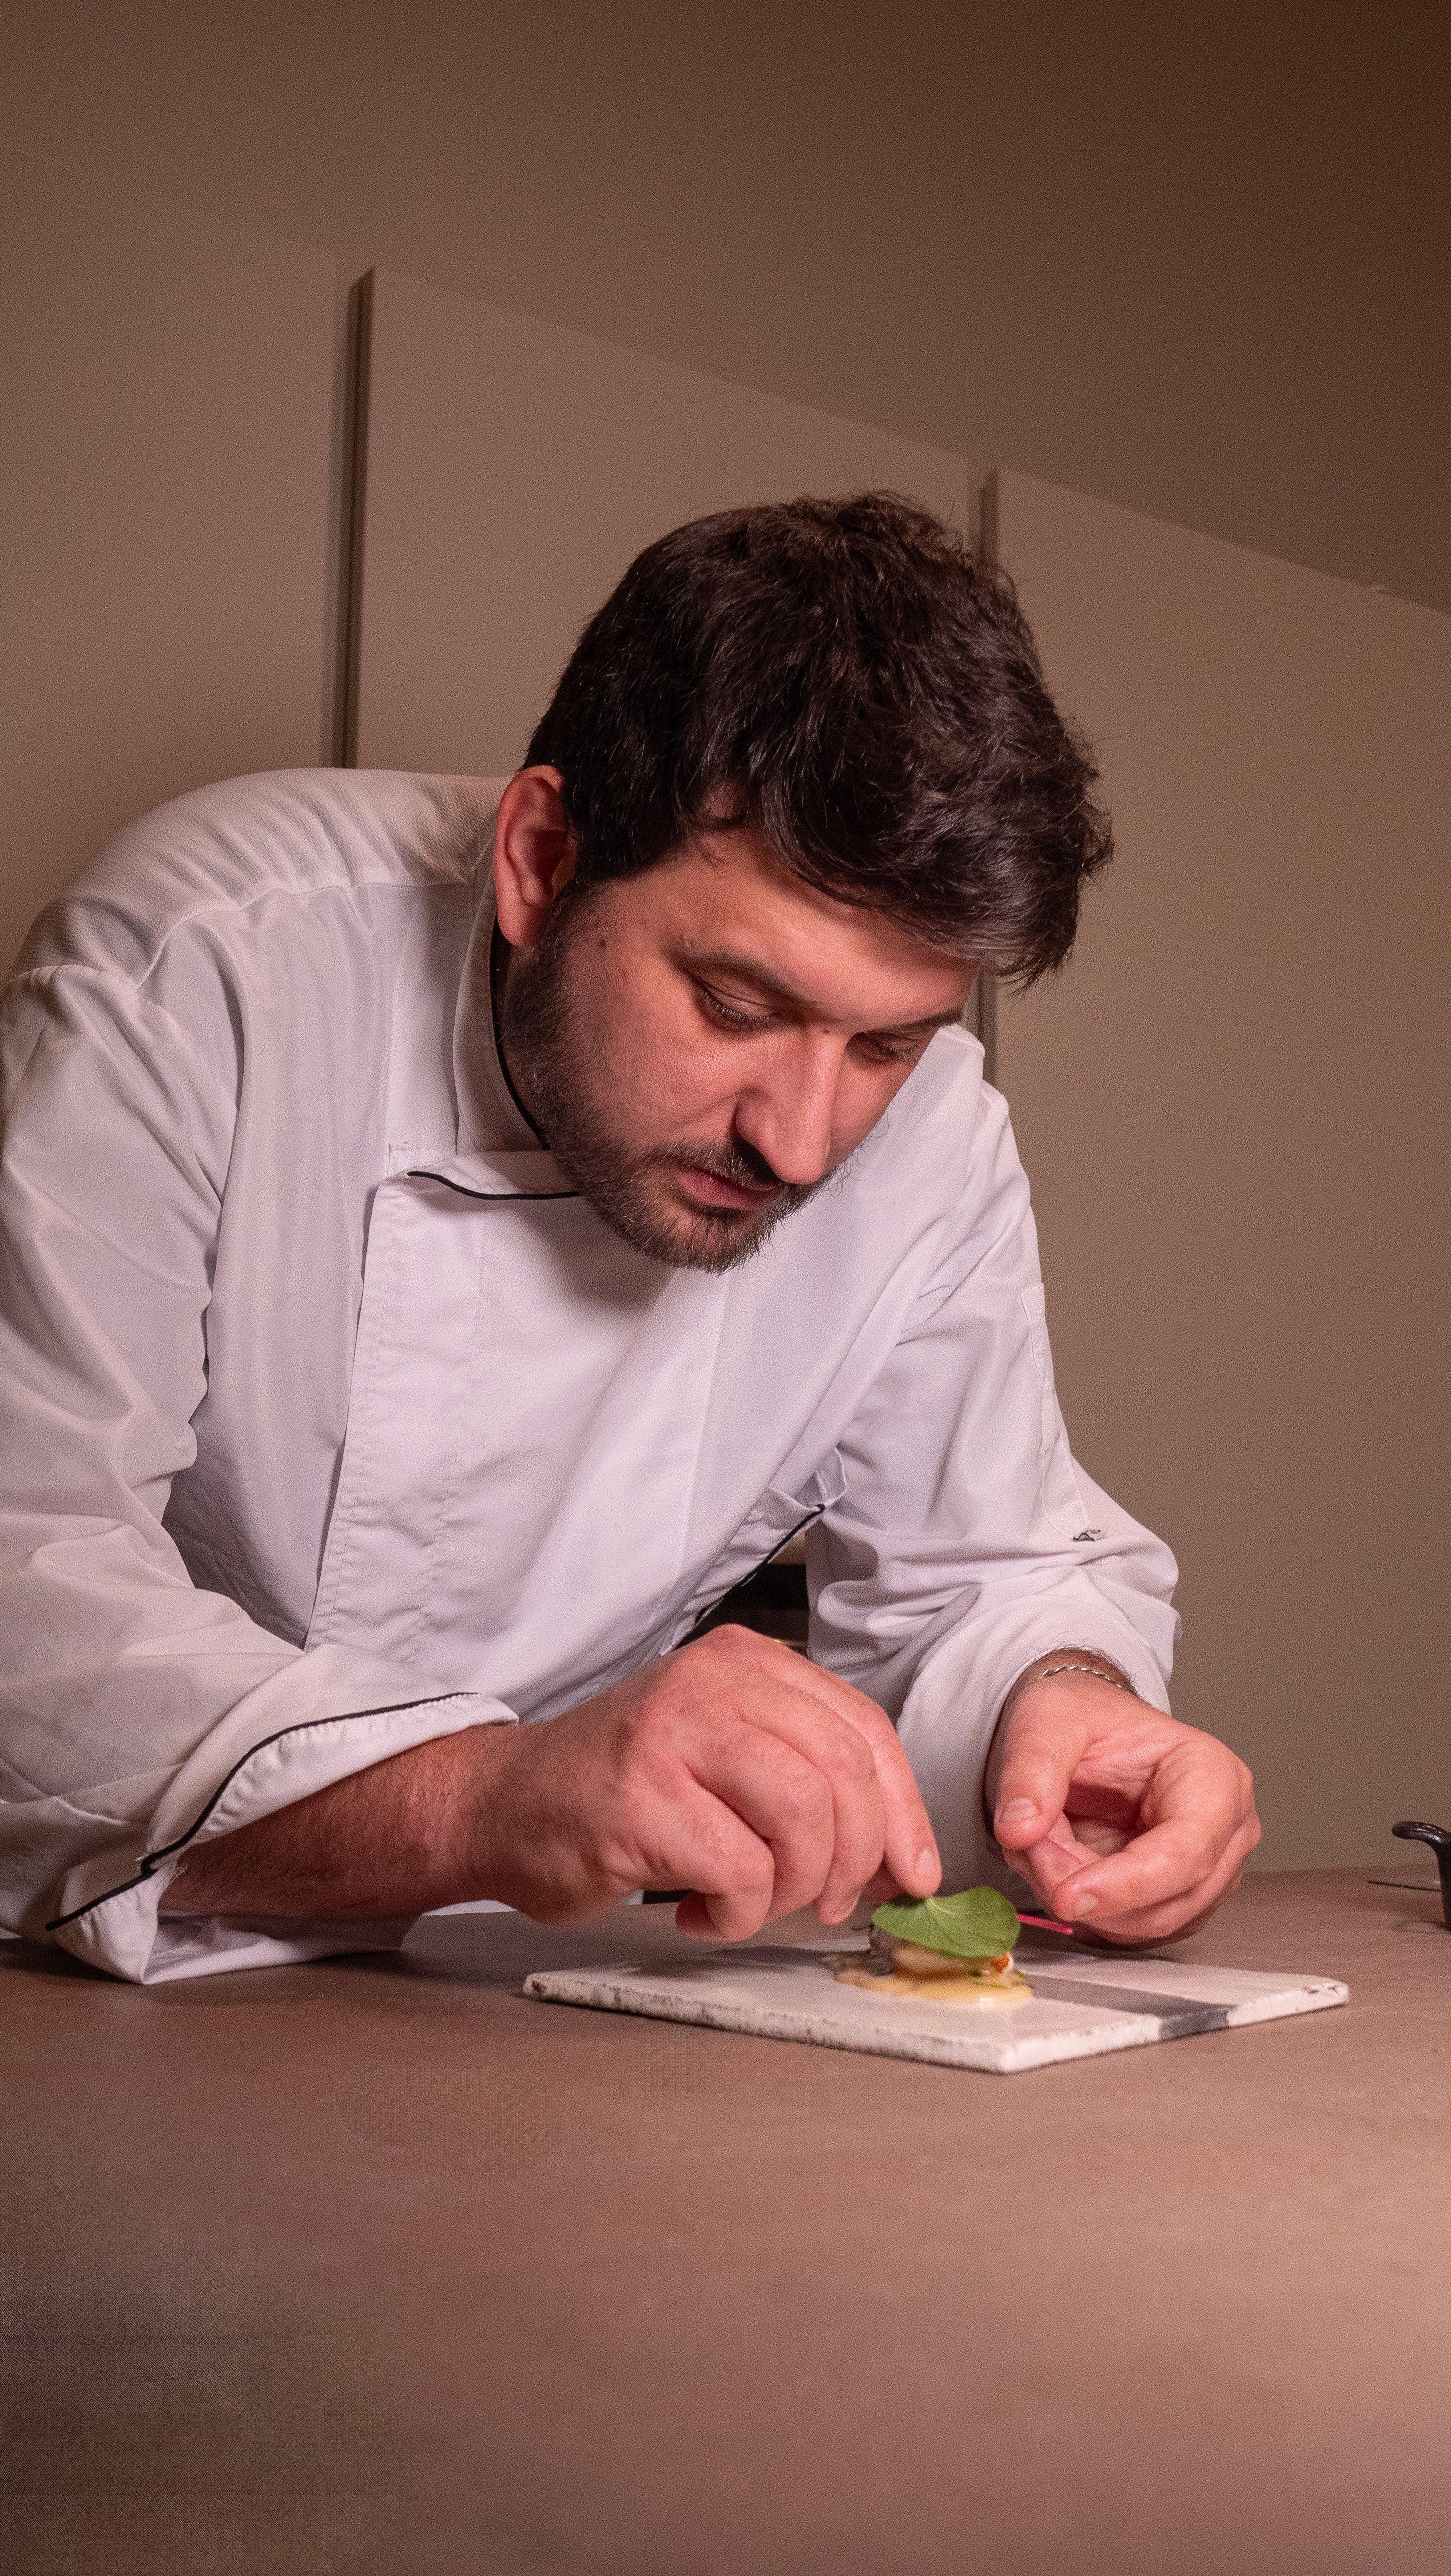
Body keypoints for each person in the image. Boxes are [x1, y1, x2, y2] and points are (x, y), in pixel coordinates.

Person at [0, 493, 1258, 1985]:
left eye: (888, 1045)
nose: (800, 1139)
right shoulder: (210, 962)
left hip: (496, 1996)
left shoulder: (937, 1139)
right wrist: (486, 1794)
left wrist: (1066, 1702)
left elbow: (983, 1566)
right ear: (541, 857)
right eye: (737, 1007)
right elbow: (28, 1568)